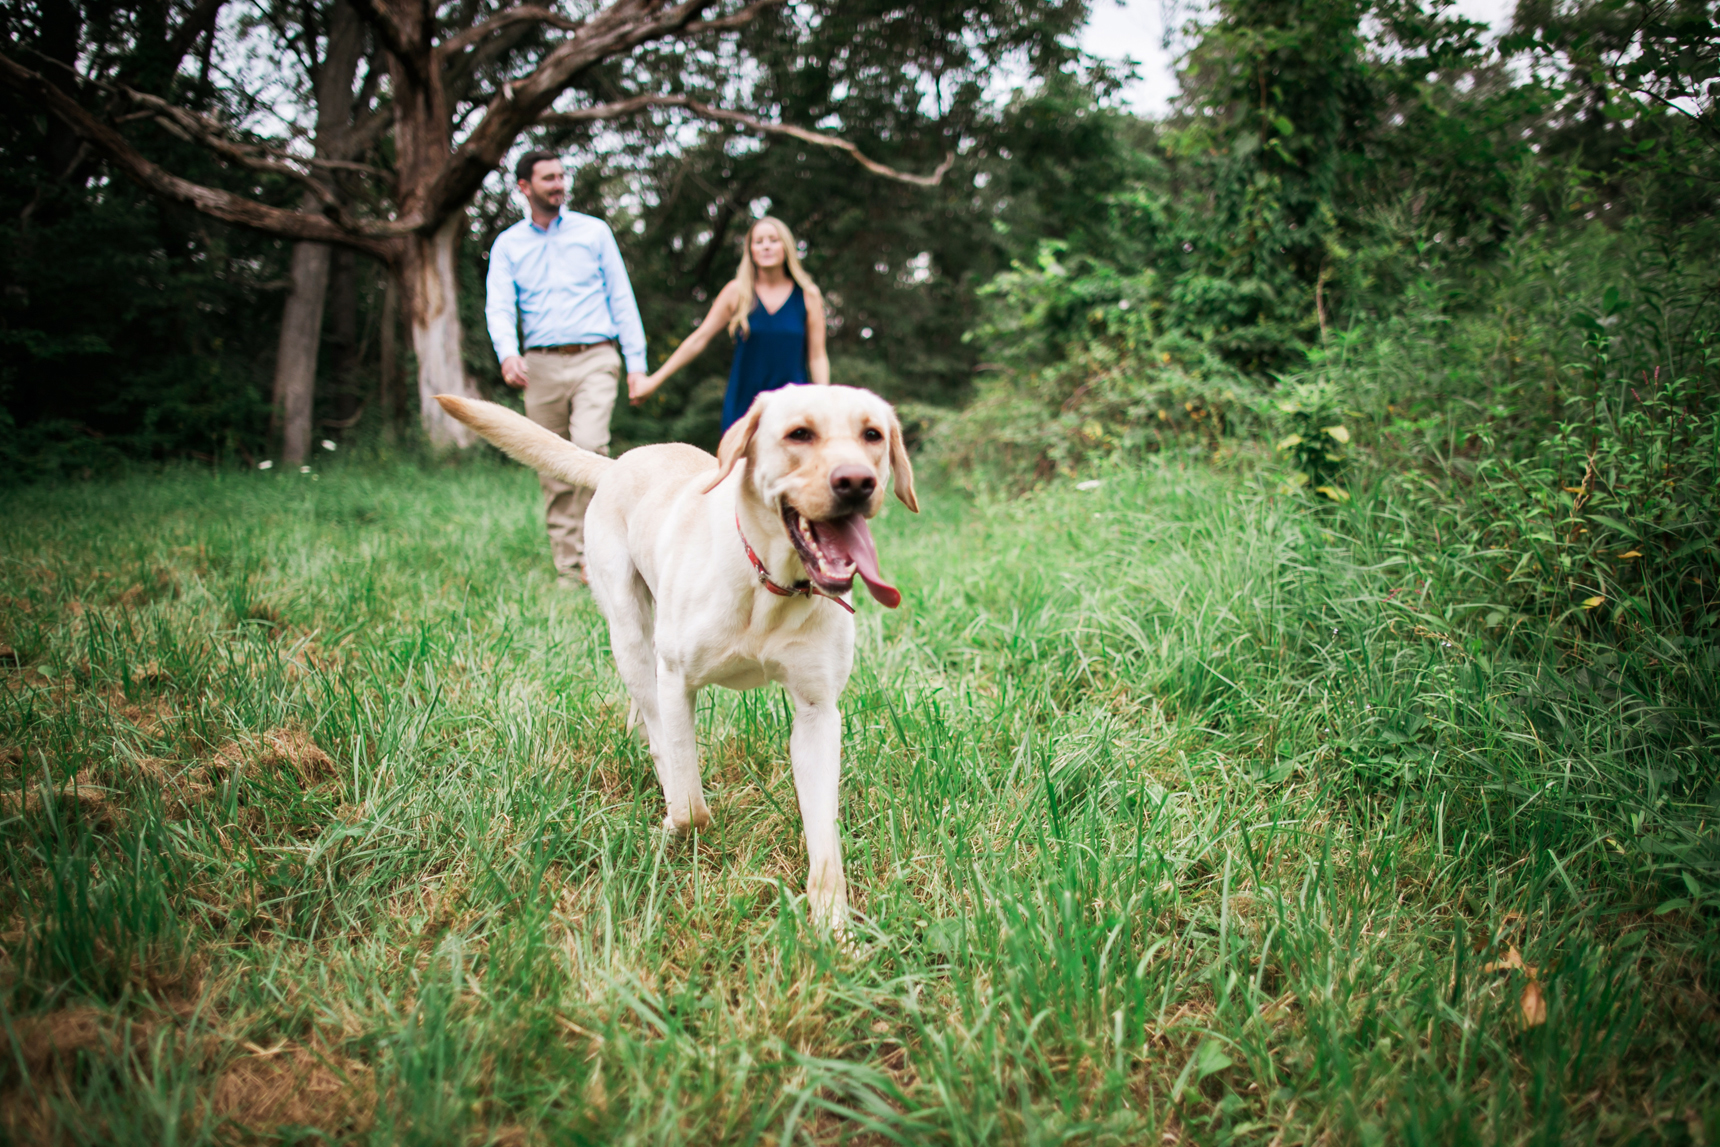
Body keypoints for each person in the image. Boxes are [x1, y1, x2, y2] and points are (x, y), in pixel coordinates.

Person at [485, 150, 649, 587]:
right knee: (552, 465)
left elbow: (622, 297)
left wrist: (637, 364)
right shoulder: (508, 244)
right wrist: (507, 352)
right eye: (548, 178)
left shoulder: (594, 233)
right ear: (524, 187)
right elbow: (499, 305)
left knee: (591, 447)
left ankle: (600, 560)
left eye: (561, 175)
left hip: (596, 355)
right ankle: (567, 565)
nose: (559, 184)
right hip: (538, 363)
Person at [630, 215, 828, 431]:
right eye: (759, 242)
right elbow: (699, 339)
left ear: (786, 246)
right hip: (744, 408)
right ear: (750, 250)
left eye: (773, 240)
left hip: (794, 408)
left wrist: (826, 404)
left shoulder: (808, 295)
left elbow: (817, 356)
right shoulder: (737, 293)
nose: (766, 247)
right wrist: (654, 381)